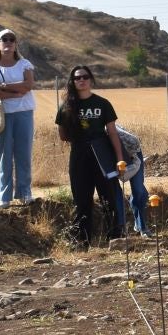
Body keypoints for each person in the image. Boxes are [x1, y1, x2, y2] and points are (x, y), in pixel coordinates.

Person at [53, 65, 123, 247]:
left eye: (84, 77)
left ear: (91, 80)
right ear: (72, 82)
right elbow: (62, 135)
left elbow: (113, 132)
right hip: (79, 154)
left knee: (108, 197)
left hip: (102, 154)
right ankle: (81, 241)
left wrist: (119, 158)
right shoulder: (67, 106)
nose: (81, 80)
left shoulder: (102, 103)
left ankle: (115, 239)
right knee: (82, 199)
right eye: (77, 78)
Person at [0, 29, 36, 206]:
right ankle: (3, 196)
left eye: (11, 39)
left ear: (16, 44)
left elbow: (28, 85)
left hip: (24, 113)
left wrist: (4, 86)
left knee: (23, 154)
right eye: (4, 39)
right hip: (2, 114)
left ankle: (24, 192)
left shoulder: (24, 64)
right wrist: (15, 92)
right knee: (4, 156)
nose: (8, 42)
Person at [112, 124, 150, 236]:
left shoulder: (127, 139)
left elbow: (135, 145)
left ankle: (140, 225)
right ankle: (132, 227)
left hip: (134, 154)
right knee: (117, 194)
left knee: (139, 191)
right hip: (112, 159)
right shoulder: (98, 136)